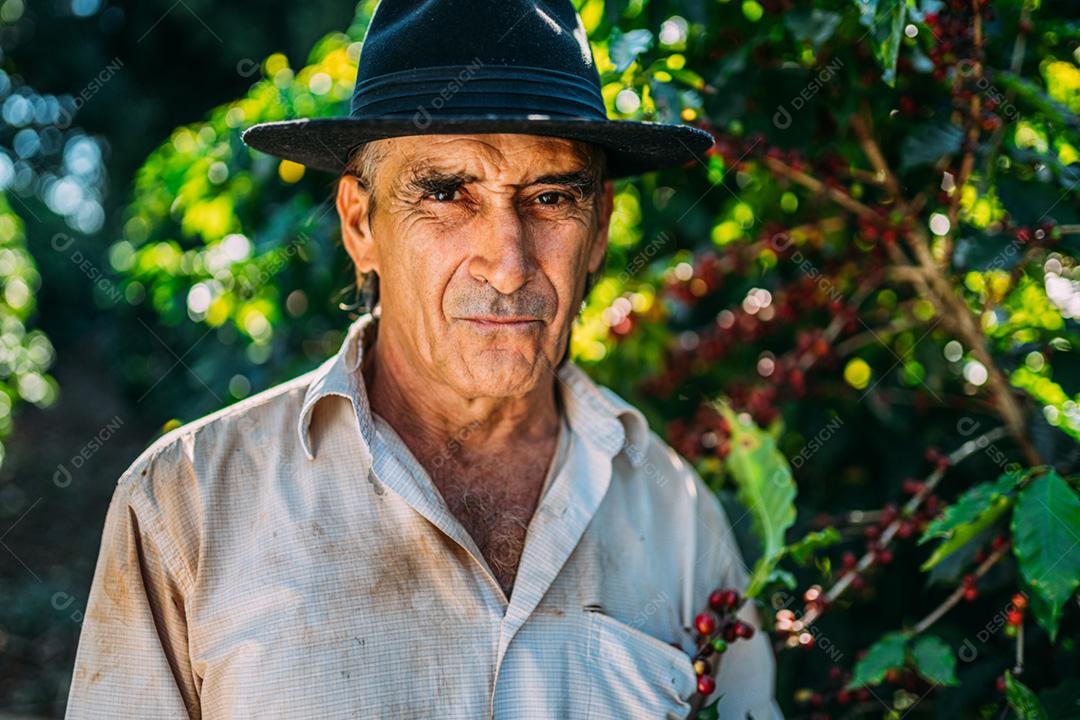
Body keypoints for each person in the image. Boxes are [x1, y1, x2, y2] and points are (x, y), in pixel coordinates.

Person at [66, 0, 783, 717]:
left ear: (598, 233)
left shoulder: (676, 517)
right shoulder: (186, 506)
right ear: (359, 223)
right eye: (445, 193)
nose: (507, 265)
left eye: (553, 196)